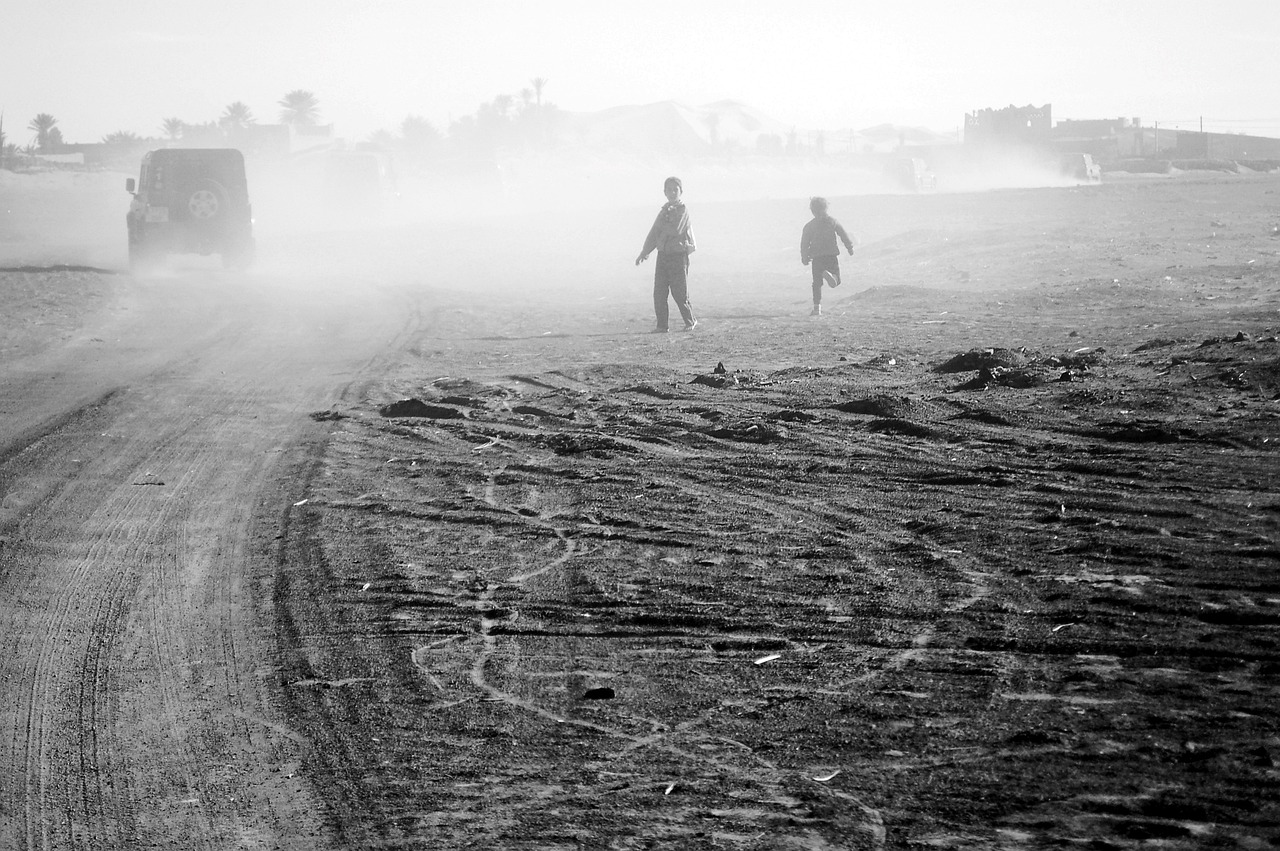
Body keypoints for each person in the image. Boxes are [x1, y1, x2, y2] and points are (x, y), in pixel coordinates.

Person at [636, 176, 698, 332]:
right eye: (669, 190)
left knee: (679, 292)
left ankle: (690, 321)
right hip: (663, 256)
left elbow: (676, 229)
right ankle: (662, 326)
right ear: (664, 192)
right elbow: (653, 233)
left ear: (681, 192)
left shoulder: (682, 210)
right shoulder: (663, 211)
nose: (672, 193)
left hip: (678, 256)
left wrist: (662, 231)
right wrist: (644, 252)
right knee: (659, 292)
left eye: (675, 190)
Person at [800, 196, 857, 316]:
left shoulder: (809, 226)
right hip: (831, 255)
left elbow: (804, 243)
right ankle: (832, 277)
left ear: (812, 210)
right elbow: (843, 234)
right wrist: (849, 247)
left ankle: (817, 309)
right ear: (826, 208)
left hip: (817, 257)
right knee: (837, 280)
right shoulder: (833, 221)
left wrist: (804, 257)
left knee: (816, 283)